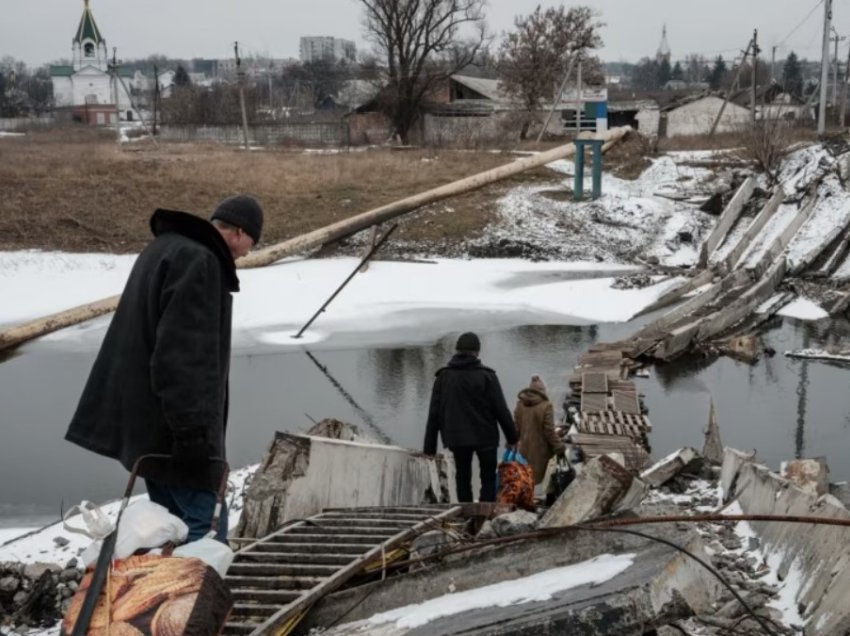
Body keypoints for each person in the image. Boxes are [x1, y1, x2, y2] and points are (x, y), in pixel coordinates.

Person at [66, 195, 264, 543]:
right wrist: (192, 436)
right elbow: (183, 358)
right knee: (206, 528)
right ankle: (199, 595)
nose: (247, 252)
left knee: (170, 526)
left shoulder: (164, 248)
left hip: (148, 426)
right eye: (252, 242)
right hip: (175, 435)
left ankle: (170, 592)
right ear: (238, 232)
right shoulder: (199, 262)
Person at [423, 332, 518, 502]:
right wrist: (512, 438)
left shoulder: (443, 377)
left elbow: (434, 414)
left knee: (462, 477)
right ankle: (484, 513)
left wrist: (429, 447)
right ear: (477, 353)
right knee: (488, 477)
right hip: (486, 436)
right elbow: (501, 410)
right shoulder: (487, 376)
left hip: (457, 438)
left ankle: (466, 513)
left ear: (457, 350)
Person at [514, 374, 565, 485]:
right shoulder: (546, 406)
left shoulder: (520, 405)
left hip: (523, 450)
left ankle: (525, 498)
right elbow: (549, 431)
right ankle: (537, 499)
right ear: (542, 391)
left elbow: (516, 429)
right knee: (541, 481)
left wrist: (511, 444)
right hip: (541, 452)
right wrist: (559, 446)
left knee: (524, 478)